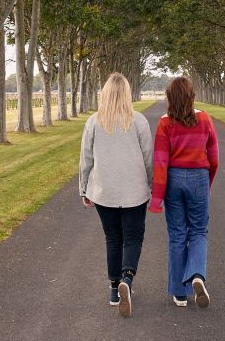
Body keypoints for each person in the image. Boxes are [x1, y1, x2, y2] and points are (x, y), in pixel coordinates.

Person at [78, 72, 153, 318]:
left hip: (104, 190)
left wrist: (84, 188)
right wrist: (152, 185)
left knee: (113, 238)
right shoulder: (139, 121)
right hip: (134, 191)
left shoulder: (94, 122)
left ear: (105, 94)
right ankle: (127, 280)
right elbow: (148, 159)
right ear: (127, 94)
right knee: (132, 237)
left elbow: (86, 159)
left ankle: (114, 288)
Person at [149, 76, 219, 309]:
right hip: (198, 177)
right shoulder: (205, 119)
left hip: (173, 179)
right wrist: (206, 182)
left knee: (177, 235)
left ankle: (180, 293)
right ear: (192, 96)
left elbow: (160, 162)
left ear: (169, 98)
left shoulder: (164, 123)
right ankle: (197, 274)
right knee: (198, 231)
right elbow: (214, 157)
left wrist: (157, 198)